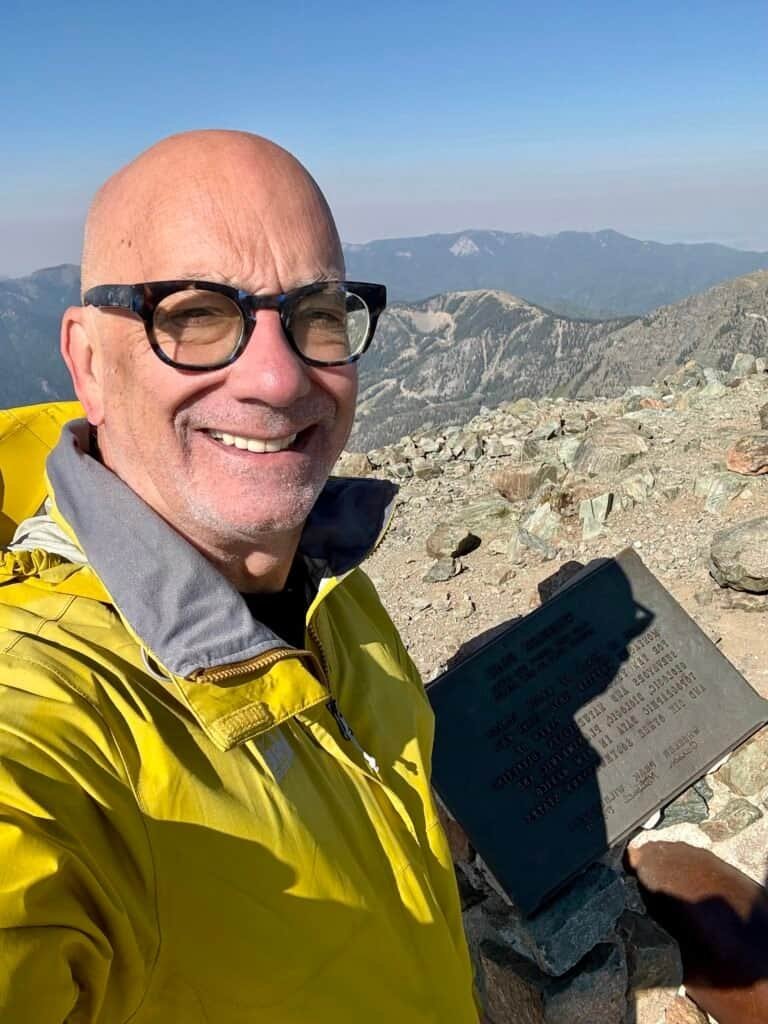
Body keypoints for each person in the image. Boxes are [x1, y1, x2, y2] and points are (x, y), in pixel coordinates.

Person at [0, 131, 479, 1022]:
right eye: (193, 314)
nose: (277, 373)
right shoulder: (49, 720)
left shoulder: (328, 568)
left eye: (319, 312)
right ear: (87, 362)